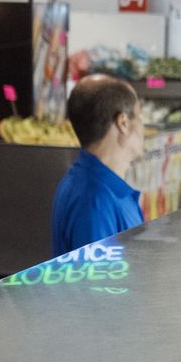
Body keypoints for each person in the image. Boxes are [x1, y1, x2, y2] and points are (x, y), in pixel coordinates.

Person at [50, 75, 145, 255]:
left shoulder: (102, 187)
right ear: (123, 123)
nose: (143, 125)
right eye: (139, 115)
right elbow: (98, 280)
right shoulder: (95, 201)